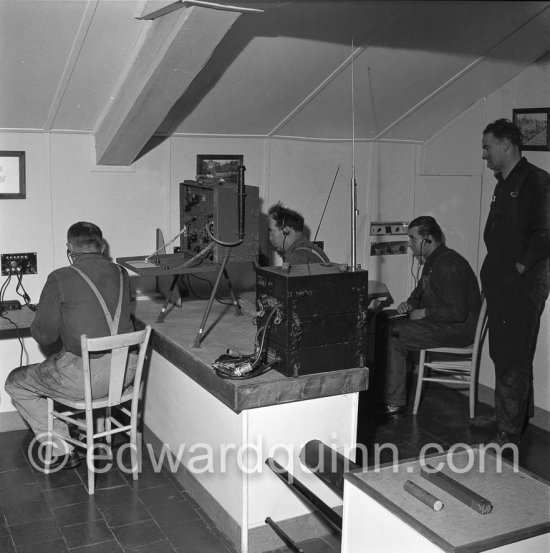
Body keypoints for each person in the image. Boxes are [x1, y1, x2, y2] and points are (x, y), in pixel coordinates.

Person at [5, 222, 135, 469]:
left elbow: (45, 336)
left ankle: (63, 449)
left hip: (85, 378)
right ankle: (90, 432)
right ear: (101, 245)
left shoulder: (60, 277)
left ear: (69, 248)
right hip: (125, 372)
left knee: (15, 383)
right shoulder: (121, 273)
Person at [473, 118, 550, 446]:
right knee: (503, 352)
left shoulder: (537, 181)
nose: (485, 155)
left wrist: (521, 266)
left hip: (522, 283)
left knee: (514, 355)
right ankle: (512, 414)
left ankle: (509, 426)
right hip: (501, 282)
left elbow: (546, 232)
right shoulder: (503, 183)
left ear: (507, 145)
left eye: (488, 147)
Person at [378, 216, 481, 417]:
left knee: (394, 333)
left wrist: (423, 312)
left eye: (413, 239)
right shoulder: (433, 262)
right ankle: (385, 391)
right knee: (383, 318)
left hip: (457, 330)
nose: (409, 244)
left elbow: (457, 312)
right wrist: (409, 305)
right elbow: (420, 293)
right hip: (441, 323)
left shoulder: (449, 265)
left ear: (429, 239)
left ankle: (394, 404)